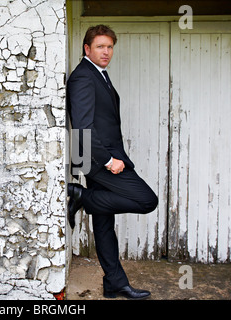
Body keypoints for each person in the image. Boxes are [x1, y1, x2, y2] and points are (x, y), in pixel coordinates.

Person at [66, 25, 158, 300]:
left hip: (95, 156)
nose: (106, 52)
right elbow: (82, 128)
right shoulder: (83, 77)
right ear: (87, 49)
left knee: (104, 224)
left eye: (109, 47)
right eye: (100, 47)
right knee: (146, 200)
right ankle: (82, 197)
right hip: (97, 158)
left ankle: (115, 283)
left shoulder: (98, 74)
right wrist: (108, 161)